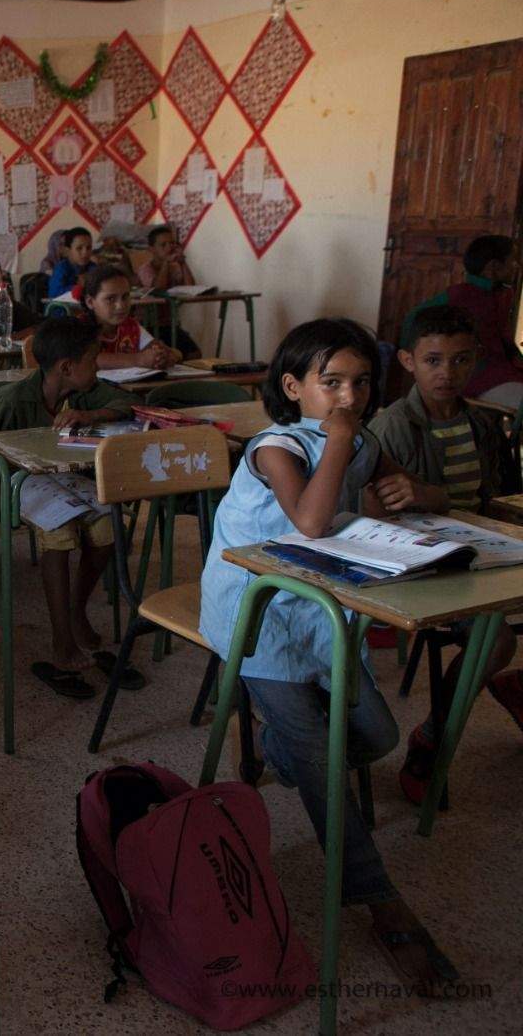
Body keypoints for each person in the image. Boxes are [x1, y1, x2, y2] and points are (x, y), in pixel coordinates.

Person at [198, 317, 460, 995]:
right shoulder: (274, 447)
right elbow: (310, 522)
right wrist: (341, 443)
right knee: (322, 764)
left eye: (361, 383)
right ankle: (381, 903)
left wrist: (415, 494)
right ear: (294, 387)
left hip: (323, 615)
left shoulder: (363, 439)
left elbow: (423, 493)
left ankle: (272, 751)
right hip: (259, 618)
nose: (349, 397)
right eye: (331, 383)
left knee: (376, 735)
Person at [370, 304, 523, 798]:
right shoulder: (393, 426)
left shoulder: (481, 424)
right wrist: (428, 500)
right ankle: (433, 735)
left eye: (460, 361)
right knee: (498, 642)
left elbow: (493, 499)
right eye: (434, 360)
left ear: (477, 359)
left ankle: (516, 686)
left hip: (484, 550)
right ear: (408, 362)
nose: (448, 373)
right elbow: (370, 519)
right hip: (427, 566)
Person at [0, 317, 135, 694]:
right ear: (67, 368)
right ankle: (61, 638)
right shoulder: (14, 399)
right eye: (93, 360)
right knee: (60, 531)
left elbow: (127, 402)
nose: (97, 366)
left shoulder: (83, 392)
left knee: (109, 524)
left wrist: (90, 415)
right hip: (14, 481)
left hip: (59, 478)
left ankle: (76, 610)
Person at [401, 235, 521, 408]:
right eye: (513, 261)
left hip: (498, 372)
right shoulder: (461, 296)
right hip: (477, 378)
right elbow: (412, 320)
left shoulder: (501, 295)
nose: (517, 266)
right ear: (494, 267)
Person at [78, 266, 180, 370]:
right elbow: (92, 360)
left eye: (125, 297)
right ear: (90, 302)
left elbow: (161, 350)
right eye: (110, 299)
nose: (120, 305)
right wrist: (139, 359)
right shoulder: (79, 327)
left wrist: (161, 356)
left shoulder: (131, 326)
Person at [137, 224, 195, 290]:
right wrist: (166, 262)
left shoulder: (176, 267)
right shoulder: (145, 270)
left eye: (172, 243)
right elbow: (158, 289)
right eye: (163, 245)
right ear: (152, 249)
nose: (169, 248)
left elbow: (191, 288)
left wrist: (182, 262)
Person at [47, 227, 95, 299]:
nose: (85, 253)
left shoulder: (93, 267)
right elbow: (54, 294)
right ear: (67, 251)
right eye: (79, 248)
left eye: (88, 248)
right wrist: (79, 287)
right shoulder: (61, 269)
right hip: (64, 308)